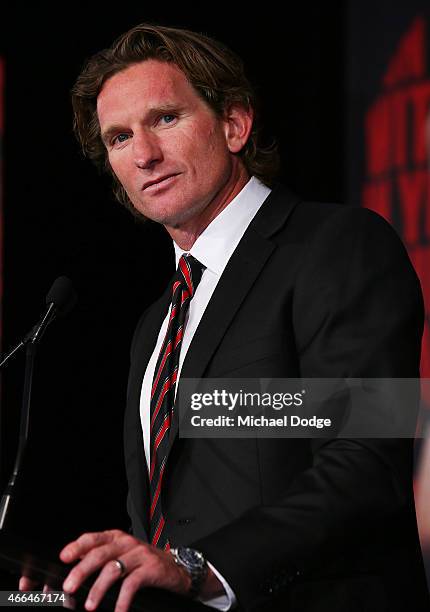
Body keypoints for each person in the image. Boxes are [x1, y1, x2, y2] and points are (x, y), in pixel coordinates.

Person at [20, 23, 430, 612]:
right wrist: (80, 588)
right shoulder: (155, 325)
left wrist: (200, 567)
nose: (143, 154)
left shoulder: (337, 245)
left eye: (165, 119)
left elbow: (367, 458)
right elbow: (167, 526)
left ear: (235, 124)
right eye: (118, 137)